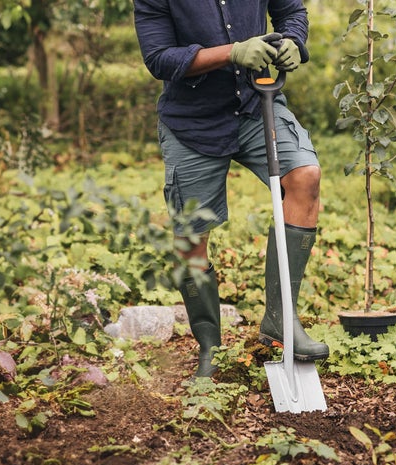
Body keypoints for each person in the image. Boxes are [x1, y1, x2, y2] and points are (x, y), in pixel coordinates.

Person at [133, 0, 330, 377]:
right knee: (191, 239)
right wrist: (232, 53)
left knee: (305, 175)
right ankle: (210, 346)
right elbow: (159, 58)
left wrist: (293, 39)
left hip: (256, 106)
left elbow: (292, 10)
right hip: (193, 123)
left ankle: (281, 322)